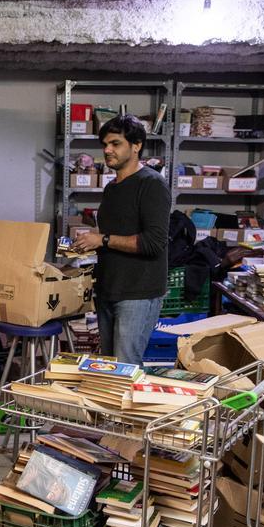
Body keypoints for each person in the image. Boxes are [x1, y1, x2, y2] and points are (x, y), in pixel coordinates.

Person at [72, 115, 171, 363]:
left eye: (115, 144)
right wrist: (85, 245)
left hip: (137, 294)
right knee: (109, 369)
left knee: (126, 369)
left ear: (136, 145)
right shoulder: (112, 187)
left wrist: (102, 240)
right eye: (105, 144)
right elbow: (113, 234)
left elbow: (154, 242)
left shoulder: (151, 184)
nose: (107, 150)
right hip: (109, 289)